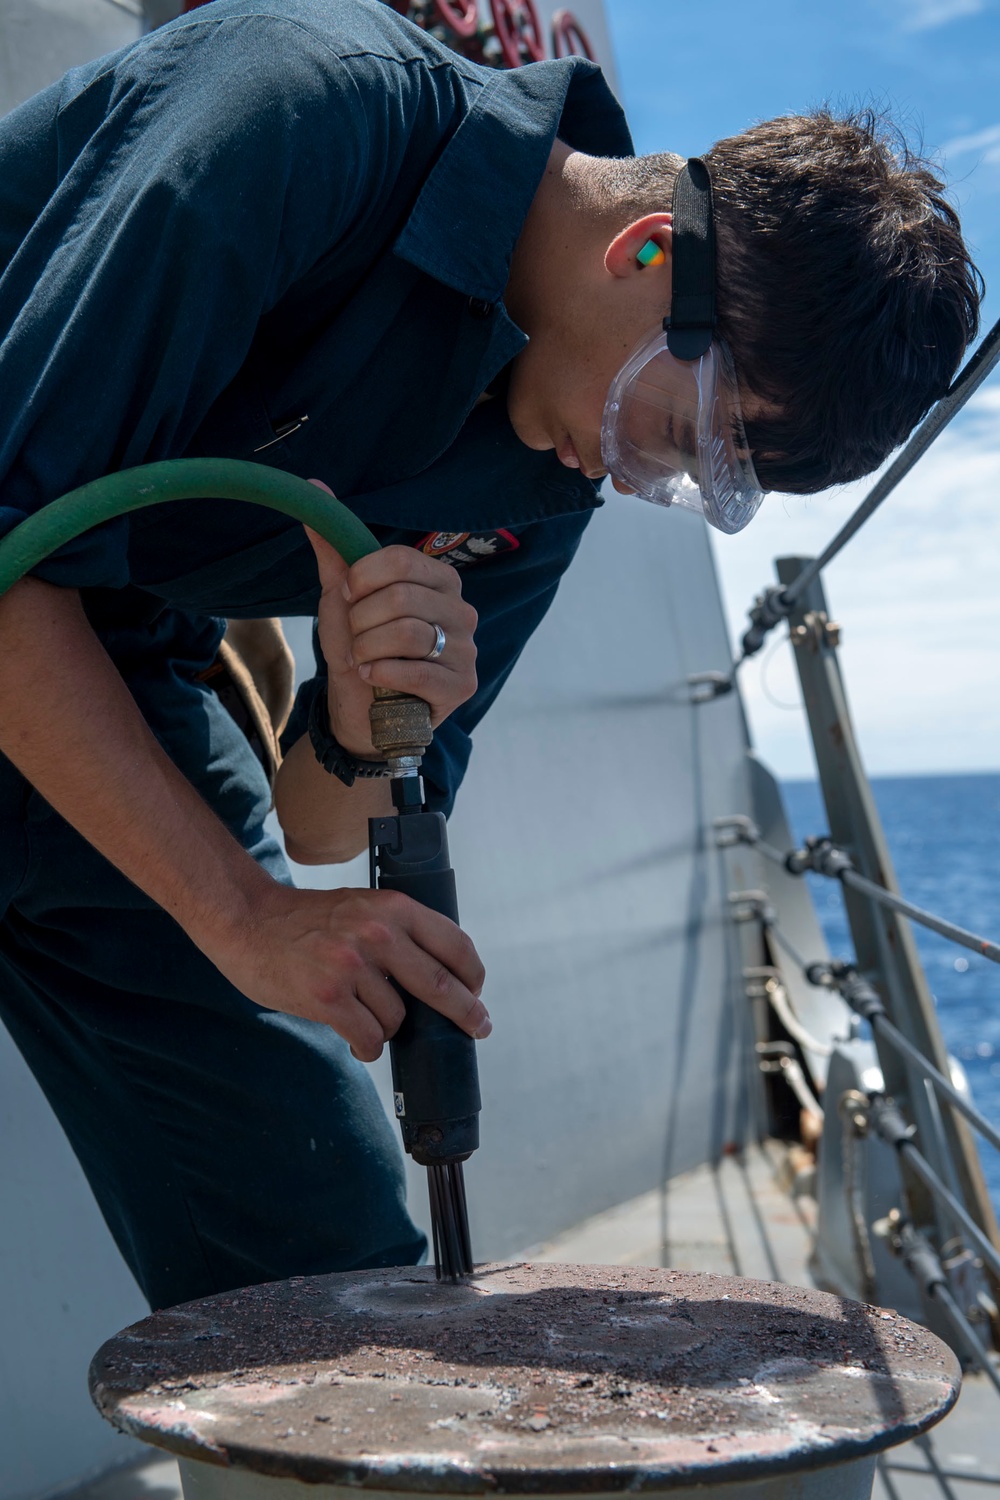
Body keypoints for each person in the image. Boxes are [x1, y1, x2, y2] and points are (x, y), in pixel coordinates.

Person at [0, 0, 981, 1309]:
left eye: (704, 485)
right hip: (30, 602)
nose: (646, 486)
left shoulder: (551, 468)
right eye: (686, 433)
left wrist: (356, 717)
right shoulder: (302, 109)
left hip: (98, 651)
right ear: (647, 255)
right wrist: (239, 919)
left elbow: (324, 824)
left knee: (322, 1257)